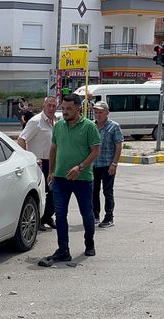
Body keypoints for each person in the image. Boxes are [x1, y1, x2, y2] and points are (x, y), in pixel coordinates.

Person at [39, 93, 101, 267]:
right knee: (60, 215)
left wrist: (80, 167)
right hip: (60, 178)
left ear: (78, 109)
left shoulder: (89, 127)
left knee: (86, 214)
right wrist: (51, 170)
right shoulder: (58, 126)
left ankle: (89, 243)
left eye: (69, 109)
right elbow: (53, 149)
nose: (64, 112)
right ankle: (63, 250)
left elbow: (95, 151)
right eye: (63, 108)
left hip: (82, 179)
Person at [17, 96, 58, 231]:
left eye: (54, 106)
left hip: (53, 162)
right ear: (43, 107)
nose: (51, 108)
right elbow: (22, 139)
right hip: (39, 163)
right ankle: (39, 219)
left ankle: (47, 217)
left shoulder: (56, 121)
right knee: (41, 192)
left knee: (54, 192)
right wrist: (27, 159)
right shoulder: (36, 121)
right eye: (49, 106)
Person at [92, 101, 123, 228]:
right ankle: (95, 215)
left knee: (107, 191)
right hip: (93, 165)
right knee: (93, 191)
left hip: (107, 164)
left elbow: (119, 146)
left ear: (107, 113)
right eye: (96, 112)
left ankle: (109, 217)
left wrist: (114, 164)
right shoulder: (91, 126)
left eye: (100, 112)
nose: (98, 115)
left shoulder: (113, 126)